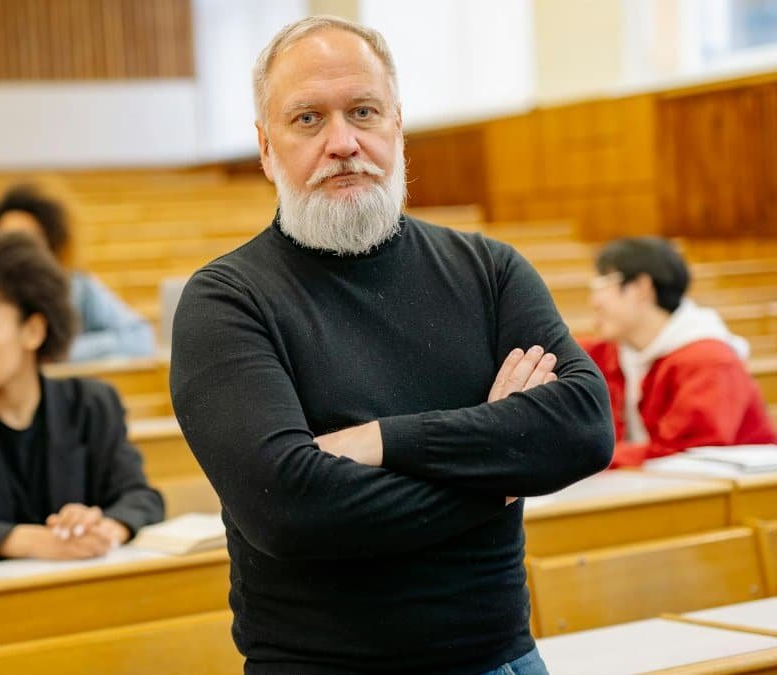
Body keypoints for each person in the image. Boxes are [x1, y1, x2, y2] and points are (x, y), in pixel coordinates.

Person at [169, 16, 613, 675]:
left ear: (397, 126)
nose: (343, 143)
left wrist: (378, 441)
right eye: (308, 120)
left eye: (363, 112)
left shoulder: (489, 270)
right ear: (266, 148)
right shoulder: (226, 301)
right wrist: (497, 473)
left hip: (502, 660)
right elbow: (289, 507)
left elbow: (584, 427)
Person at [0, 230, 163, 561]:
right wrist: (27, 541)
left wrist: (102, 528)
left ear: (33, 331)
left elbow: (140, 497)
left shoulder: (92, 404)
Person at [581, 237, 777, 468]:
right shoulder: (612, 351)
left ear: (641, 288)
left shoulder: (709, 359)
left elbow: (686, 453)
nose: (594, 301)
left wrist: (582, 459)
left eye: (602, 284)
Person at [0, 184, 155, 373]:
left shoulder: (78, 287)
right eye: (8, 240)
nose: (19, 251)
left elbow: (139, 337)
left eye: (29, 240)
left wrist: (57, 353)